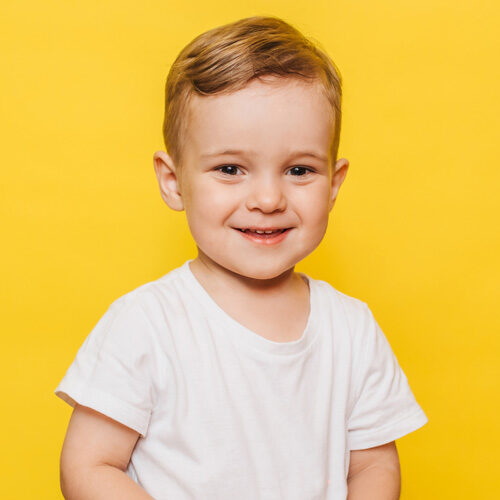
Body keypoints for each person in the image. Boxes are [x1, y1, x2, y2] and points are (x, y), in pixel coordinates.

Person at [54, 15, 428, 500]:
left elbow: (373, 467)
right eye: (230, 169)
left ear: (334, 185)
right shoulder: (146, 324)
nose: (268, 199)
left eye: (299, 169)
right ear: (173, 181)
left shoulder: (351, 330)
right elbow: (89, 466)